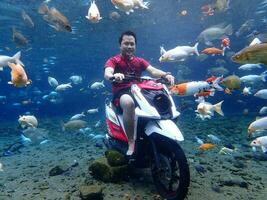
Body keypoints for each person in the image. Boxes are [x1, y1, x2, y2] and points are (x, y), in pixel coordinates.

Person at [104, 31, 174, 155]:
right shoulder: (114, 60)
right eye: (126, 43)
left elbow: (153, 71)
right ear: (120, 45)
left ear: (135, 46)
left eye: (132, 44)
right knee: (128, 102)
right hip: (121, 93)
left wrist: (166, 74)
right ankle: (131, 142)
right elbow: (107, 73)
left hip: (139, 91)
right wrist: (114, 75)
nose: (130, 46)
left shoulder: (139, 61)